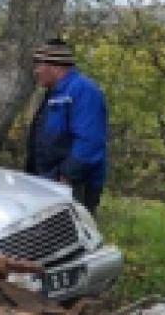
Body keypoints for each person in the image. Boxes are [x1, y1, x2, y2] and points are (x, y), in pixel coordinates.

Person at [25, 38, 108, 211]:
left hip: (73, 185)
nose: (36, 71)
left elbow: (90, 142)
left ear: (55, 67)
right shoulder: (53, 93)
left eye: (39, 65)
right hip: (48, 182)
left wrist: (66, 176)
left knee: (68, 236)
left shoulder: (83, 90)